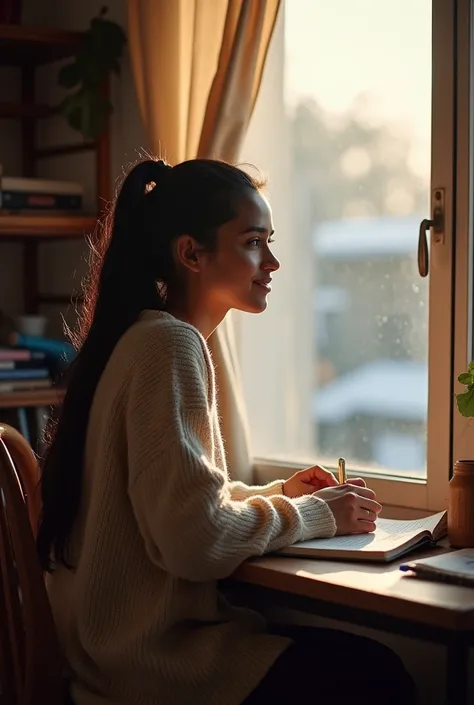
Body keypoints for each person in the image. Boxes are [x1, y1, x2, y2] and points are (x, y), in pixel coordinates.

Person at [37, 158, 416, 705]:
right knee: (378, 674)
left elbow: (166, 502)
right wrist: (318, 513)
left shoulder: (135, 339)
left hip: (105, 660)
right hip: (153, 670)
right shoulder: (169, 346)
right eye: (253, 242)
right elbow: (196, 543)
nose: (274, 261)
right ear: (192, 253)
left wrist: (277, 494)